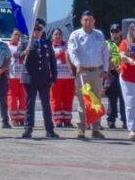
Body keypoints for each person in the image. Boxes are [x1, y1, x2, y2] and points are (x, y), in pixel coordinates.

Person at [67, 10, 109, 139]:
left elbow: (105, 53)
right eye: (85, 20)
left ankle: (95, 129)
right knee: (83, 101)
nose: (88, 22)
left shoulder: (99, 35)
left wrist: (105, 69)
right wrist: (77, 64)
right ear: (81, 21)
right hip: (83, 72)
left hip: (97, 72)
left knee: (96, 101)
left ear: (94, 21)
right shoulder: (75, 35)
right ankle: (81, 128)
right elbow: (72, 52)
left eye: (90, 20)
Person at [21, 21, 57, 139]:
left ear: (42, 31)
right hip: (30, 78)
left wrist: (53, 77)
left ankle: (49, 130)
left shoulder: (46, 43)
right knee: (29, 104)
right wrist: (23, 52)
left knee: (46, 104)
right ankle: (28, 129)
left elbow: (52, 61)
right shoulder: (26, 42)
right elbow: (17, 54)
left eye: (39, 30)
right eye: (35, 29)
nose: (37, 32)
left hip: (44, 78)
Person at [49, 27, 75, 128]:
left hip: (69, 77)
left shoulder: (68, 46)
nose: (58, 36)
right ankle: (58, 120)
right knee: (55, 99)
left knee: (68, 99)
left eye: (59, 34)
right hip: (56, 78)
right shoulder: (50, 47)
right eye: (55, 34)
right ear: (52, 36)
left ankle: (67, 120)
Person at [105, 24, 127, 130]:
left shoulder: (125, 43)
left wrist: (121, 66)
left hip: (124, 73)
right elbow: (104, 58)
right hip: (112, 73)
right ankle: (111, 119)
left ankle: (125, 120)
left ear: (121, 32)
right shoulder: (106, 43)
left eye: (116, 31)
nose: (114, 34)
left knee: (124, 98)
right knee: (112, 98)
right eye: (112, 31)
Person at [6, 29, 28, 127]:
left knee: (23, 97)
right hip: (12, 76)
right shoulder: (7, 46)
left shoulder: (23, 46)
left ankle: (22, 117)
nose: (17, 37)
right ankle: (14, 118)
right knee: (12, 98)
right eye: (15, 35)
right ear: (11, 35)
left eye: (19, 35)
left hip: (22, 76)